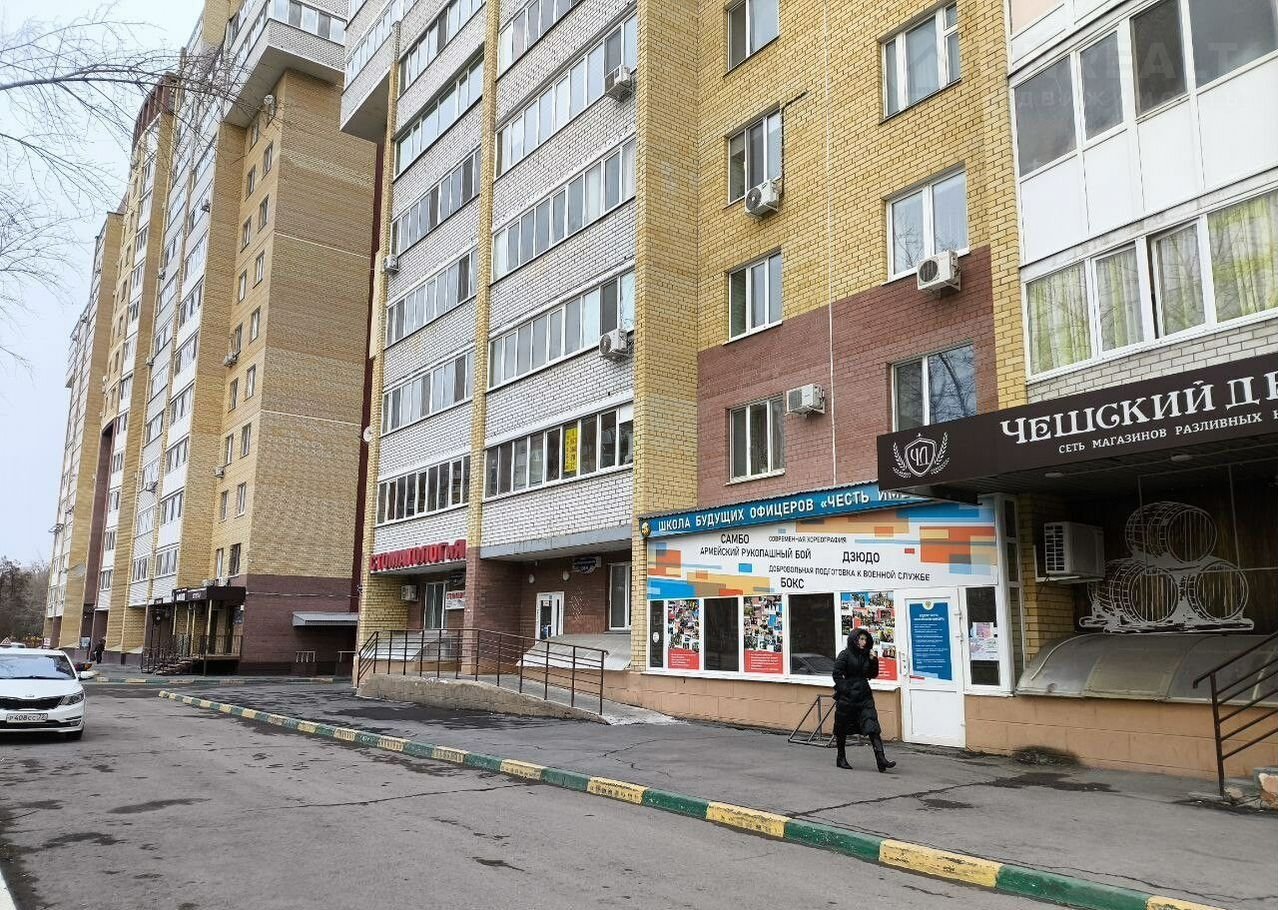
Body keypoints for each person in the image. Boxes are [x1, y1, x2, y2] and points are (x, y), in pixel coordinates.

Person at [832, 628, 895, 772]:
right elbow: (836, 674)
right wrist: (845, 689)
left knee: (872, 725)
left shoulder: (867, 655)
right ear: (854, 640)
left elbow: (872, 674)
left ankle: (881, 759)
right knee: (842, 728)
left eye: (865, 639)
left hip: (864, 695)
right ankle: (841, 757)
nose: (863, 642)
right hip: (848, 697)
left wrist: (873, 661)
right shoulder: (845, 654)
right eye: (861, 639)